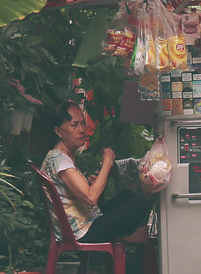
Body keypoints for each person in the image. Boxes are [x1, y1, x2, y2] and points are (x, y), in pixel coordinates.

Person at [41, 98, 153, 245]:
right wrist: (107, 162)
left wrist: (92, 182)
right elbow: (90, 198)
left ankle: (121, 237)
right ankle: (122, 238)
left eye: (83, 123)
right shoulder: (60, 160)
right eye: (74, 125)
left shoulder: (63, 156)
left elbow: (84, 197)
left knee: (128, 196)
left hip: (88, 221)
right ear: (59, 131)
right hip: (81, 232)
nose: (81, 130)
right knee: (139, 204)